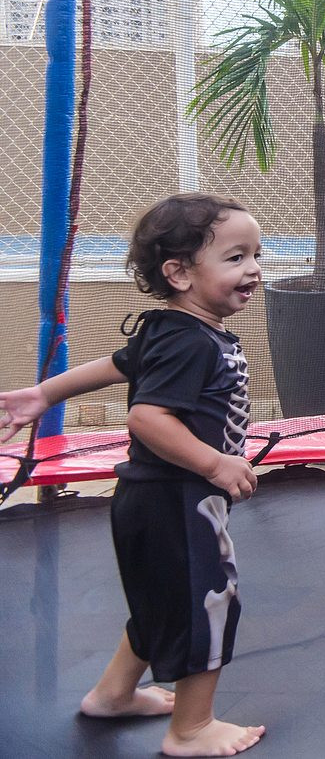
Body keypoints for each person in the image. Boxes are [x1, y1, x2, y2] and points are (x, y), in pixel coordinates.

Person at [0, 193, 266, 756]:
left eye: (256, 255)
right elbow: (147, 418)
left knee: (160, 602)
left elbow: (117, 364)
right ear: (179, 273)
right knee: (208, 602)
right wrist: (216, 463)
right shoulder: (191, 340)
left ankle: (113, 695)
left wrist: (44, 394)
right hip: (181, 499)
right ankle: (191, 729)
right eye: (236, 257)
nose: (253, 270)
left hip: (145, 499)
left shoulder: (171, 329)